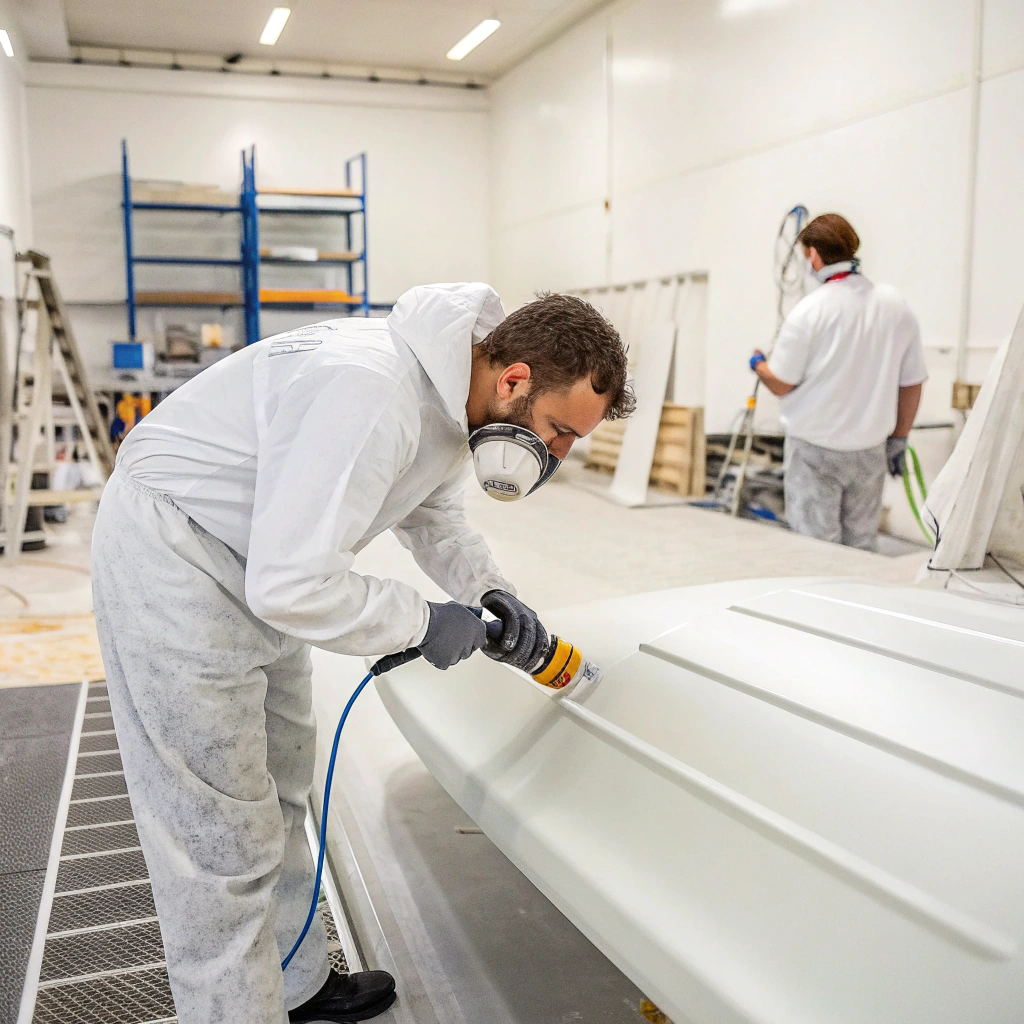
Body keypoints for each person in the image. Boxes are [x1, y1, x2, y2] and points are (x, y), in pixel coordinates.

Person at [91, 283, 634, 1024]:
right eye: (559, 431)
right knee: (216, 826)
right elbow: (292, 586)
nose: (557, 456)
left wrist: (491, 592)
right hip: (180, 553)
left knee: (282, 775)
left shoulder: (454, 396)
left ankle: (296, 985)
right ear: (514, 380)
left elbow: (432, 512)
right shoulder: (371, 390)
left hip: (261, 548)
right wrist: (423, 622)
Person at [749, 213, 927, 550]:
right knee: (861, 545)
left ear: (813, 254)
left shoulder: (811, 310)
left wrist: (759, 364)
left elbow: (782, 383)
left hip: (815, 450)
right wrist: (899, 438)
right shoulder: (894, 305)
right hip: (869, 450)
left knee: (815, 548)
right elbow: (912, 382)